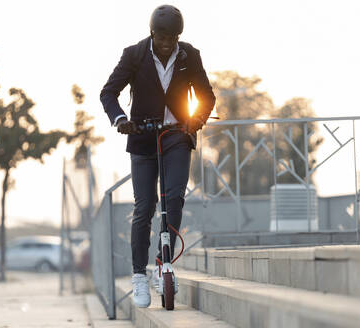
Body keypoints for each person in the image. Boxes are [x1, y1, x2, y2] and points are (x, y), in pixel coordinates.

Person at [100, 4, 215, 308]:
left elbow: (207, 95)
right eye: (163, 38)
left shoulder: (190, 55)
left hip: (177, 135)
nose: (167, 44)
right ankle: (139, 274)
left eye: (173, 38)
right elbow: (108, 93)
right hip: (142, 138)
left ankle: (165, 264)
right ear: (152, 33)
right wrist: (120, 120)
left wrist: (196, 119)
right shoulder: (134, 54)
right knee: (144, 207)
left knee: (174, 197)